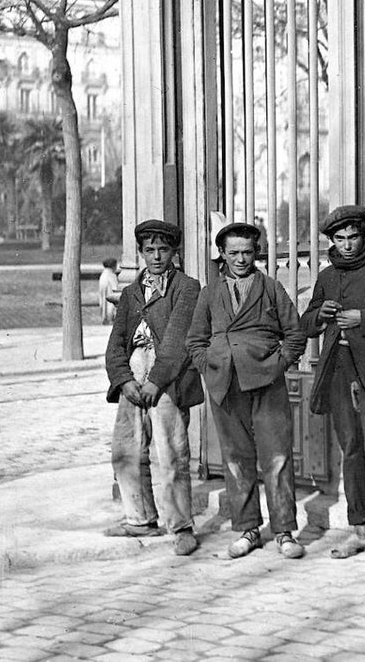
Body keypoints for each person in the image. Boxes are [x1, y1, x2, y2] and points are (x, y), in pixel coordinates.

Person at [186, 221, 308, 559]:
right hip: (225, 385)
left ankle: (284, 531)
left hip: (266, 383)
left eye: (248, 252)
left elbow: (295, 334)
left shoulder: (270, 288)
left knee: (278, 457)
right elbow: (195, 340)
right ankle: (248, 529)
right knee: (236, 459)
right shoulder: (209, 293)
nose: (241, 259)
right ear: (222, 254)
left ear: (257, 253)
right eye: (234, 252)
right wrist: (209, 364)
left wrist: (277, 364)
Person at [300, 205, 365, 562]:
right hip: (338, 372)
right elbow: (307, 323)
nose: (347, 245)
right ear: (331, 240)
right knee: (352, 452)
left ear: (364, 236)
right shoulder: (328, 276)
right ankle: (360, 529)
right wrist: (321, 314)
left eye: (353, 237)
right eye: (339, 239)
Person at [103, 220, 202, 556]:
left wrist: (156, 382)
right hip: (134, 375)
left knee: (172, 452)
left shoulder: (186, 288)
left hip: (167, 380)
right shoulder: (131, 293)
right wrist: (123, 380)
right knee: (126, 449)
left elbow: (177, 341)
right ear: (141, 253)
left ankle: (182, 525)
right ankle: (139, 517)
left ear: (174, 251)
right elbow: (116, 342)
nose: (157, 256)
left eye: (163, 249)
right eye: (150, 250)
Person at [99, 257, 120, 324]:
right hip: (110, 295)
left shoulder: (103, 274)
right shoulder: (111, 275)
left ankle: (105, 318)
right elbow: (115, 288)